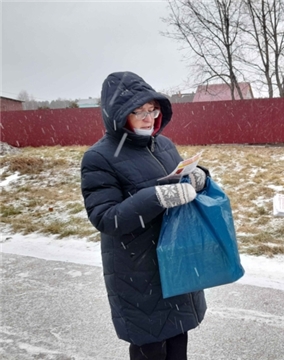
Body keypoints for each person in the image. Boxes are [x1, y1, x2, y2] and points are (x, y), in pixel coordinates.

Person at [81, 71, 208, 360]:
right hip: (137, 272)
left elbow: (178, 179)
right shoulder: (99, 157)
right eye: (138, 111)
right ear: (118, 113)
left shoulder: (163, 144)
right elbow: (106, 217)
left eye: (152, 110)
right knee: (150, 348)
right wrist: (158, 197)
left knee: (178, 343)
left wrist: (198, 178)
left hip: (174, 261)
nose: (148, 118)